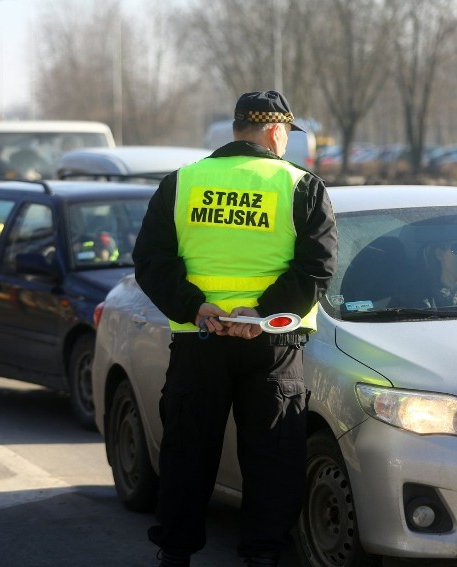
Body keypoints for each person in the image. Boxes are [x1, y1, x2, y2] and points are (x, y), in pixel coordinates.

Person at [132, 90, 338, 567]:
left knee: (187, 454)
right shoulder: (301, 185)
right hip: (273, 346)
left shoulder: (183, 183)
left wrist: (197, 308)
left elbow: (150, 262)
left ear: (237, 128)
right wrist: (260, 314)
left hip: (198, 341)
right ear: (274, 131)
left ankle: (175, 554)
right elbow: (318, 268)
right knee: (272, 458)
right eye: (287, 133)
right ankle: (263, 557)